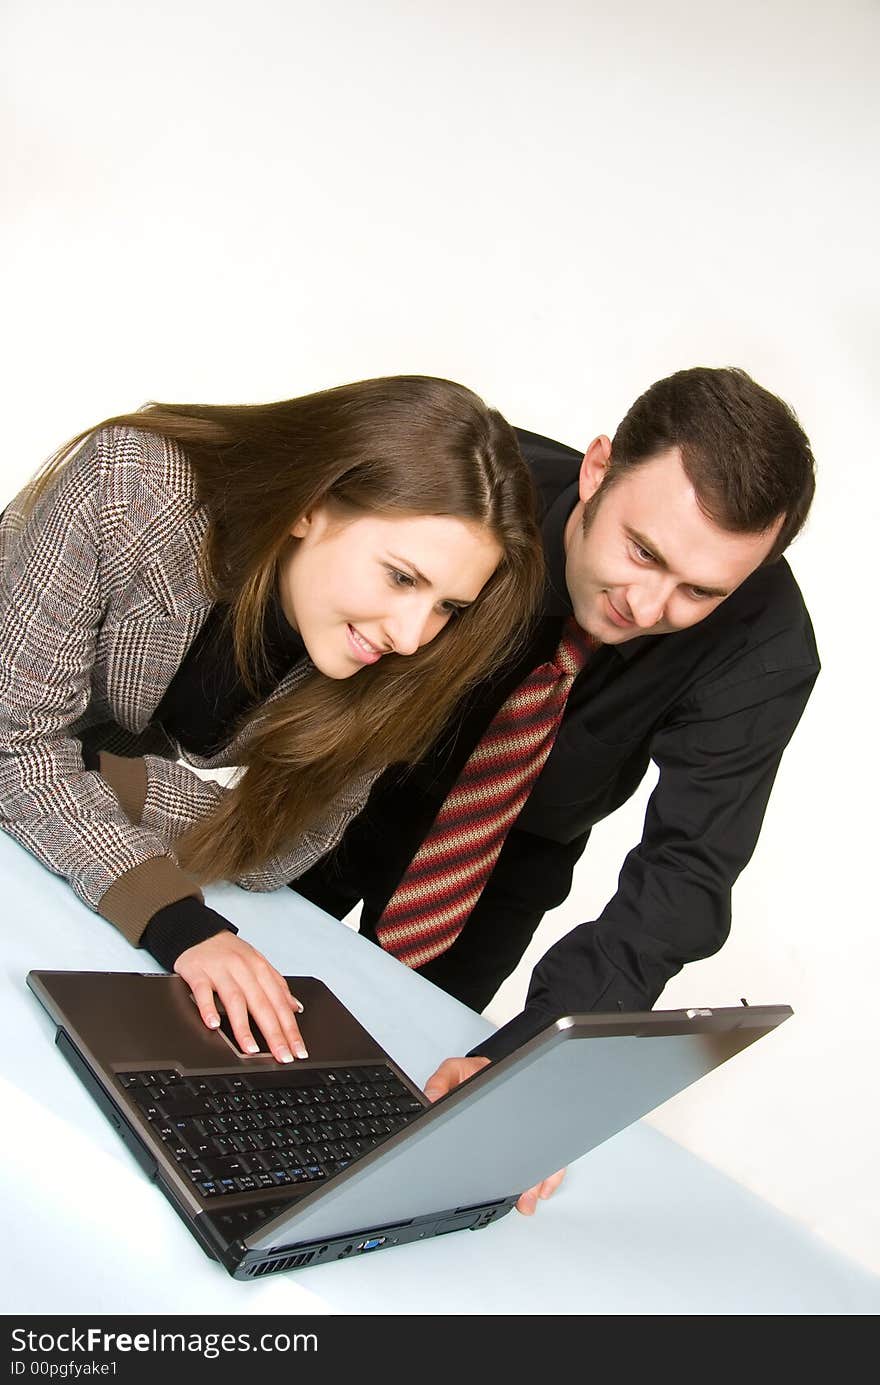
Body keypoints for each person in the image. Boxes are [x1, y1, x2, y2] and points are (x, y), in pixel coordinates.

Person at [292, 366, 820, 1212]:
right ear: (597, 469)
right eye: (643, 552)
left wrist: (533, 1062)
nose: (649, 605)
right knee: (217, 999)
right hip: (341, 781)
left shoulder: (766, 650)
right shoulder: (474, 483)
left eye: (701, 591)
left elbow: (683, 878)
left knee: (387, 1084)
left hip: (501, 862)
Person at [0, 375, 543, 1067]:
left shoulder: (383, 657)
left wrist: (94, 775)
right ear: (310, 507)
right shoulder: (130, 485)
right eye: (402, 577)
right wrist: (177, 921)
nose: (413, 634)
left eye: (448, 607)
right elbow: (11, 740)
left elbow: (278, 850)